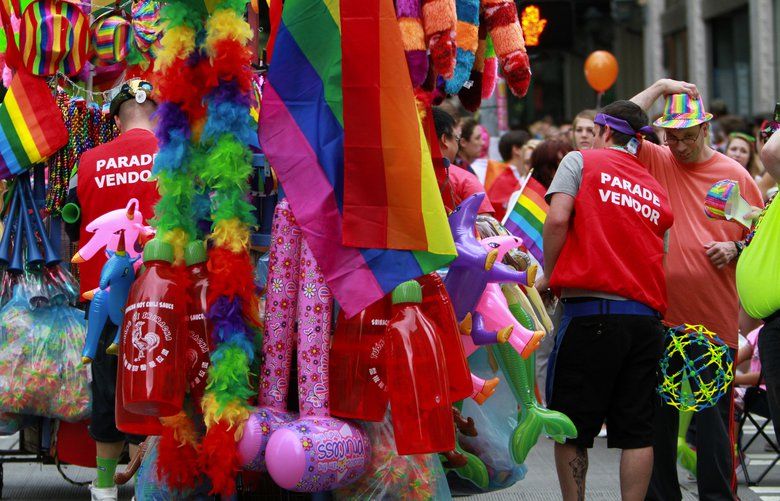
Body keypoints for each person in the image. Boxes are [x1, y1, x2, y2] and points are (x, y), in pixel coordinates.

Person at [629, 79, 763, 501]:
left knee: (712, 425)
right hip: (661, 317)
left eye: (688, 136)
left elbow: (763, 236)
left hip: (715, 320)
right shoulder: (657, 157)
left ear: (705, 129)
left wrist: (736, 245)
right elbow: (616, 119)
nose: (680, 146)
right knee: (659, 421)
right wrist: (661, 86)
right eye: (672, 136)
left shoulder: (734, 174)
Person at [542, 101, 674, 501]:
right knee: (637, 431)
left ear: (603, 131)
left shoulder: (580, 161)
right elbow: (660, 255)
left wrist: (551, 275)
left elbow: (557, 218)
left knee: (571, 425)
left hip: (591, 314)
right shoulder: (654, 187)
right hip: (645, 320)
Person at [64, 78, 160, 501]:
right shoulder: (175, 158)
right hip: (162, 297)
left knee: (108, 391)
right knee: (158, 392)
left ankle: (104, 487)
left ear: (115, 118)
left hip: (104, 298)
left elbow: (72, 225)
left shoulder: (85, 161)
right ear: (157, 113)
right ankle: (150, 486)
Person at [432, 106, 493, 214]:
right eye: (456, 138)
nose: (482, 143)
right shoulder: (464, 180)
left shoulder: (403, 175)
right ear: (444, 139)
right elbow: (484, 225)